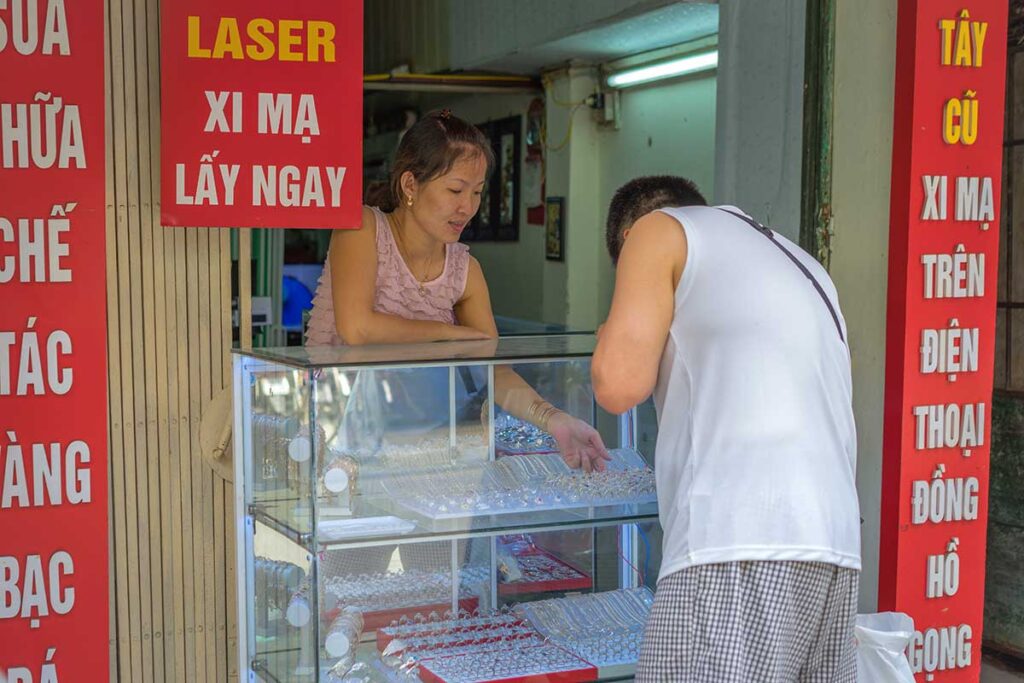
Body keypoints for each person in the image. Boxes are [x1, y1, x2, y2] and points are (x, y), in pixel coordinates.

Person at [592, 176, 860, 682]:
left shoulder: (654, 232)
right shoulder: (800, 262)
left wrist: (613, 334)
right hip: (833, 544)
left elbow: (617, 385)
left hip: (736, 541)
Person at [306, 109, 609, 472]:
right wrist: (454, 336)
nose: (467, 207)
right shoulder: (361, 231)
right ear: (409, 186)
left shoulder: (466, 271)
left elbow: (493, 371)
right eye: (454, 190)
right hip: (333, 435)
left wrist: (555, 419)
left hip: (415, 446)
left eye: (477, 192)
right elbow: (357, 328)